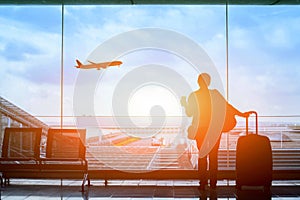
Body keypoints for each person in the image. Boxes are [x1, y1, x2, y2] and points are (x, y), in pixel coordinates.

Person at [181, 73, 249, 190]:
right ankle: (213, 183)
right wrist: (241, 114)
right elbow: (227, 106)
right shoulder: (215, 94)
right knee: (214, 157)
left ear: (198, 82)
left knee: (202, 156)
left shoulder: (194, 96)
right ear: (209, 82)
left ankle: (202, 183)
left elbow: (189, 113)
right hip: (214, 129)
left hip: (200, 130)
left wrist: (184, 104)